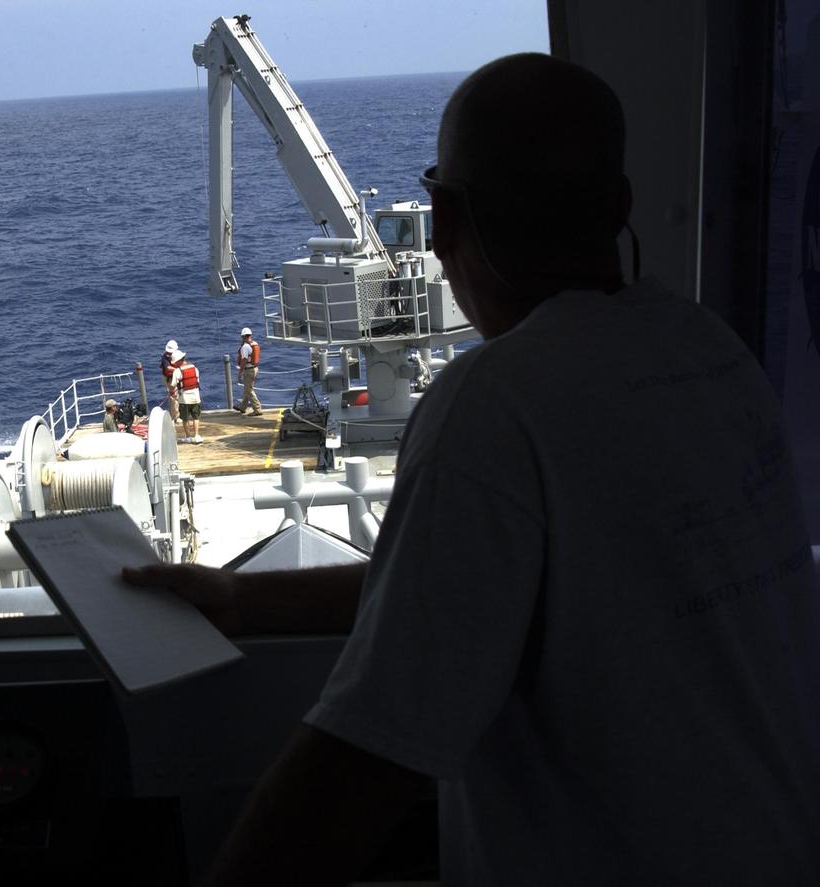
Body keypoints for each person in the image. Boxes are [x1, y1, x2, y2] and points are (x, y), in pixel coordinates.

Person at [124, 52, 820, 885]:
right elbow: (465, 584)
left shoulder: (496, 404)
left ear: (445, 219)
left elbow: (353, 771)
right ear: (621, 205)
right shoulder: (711, 351)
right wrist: (243, 599)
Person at [169, 349, 202, 443]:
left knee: (185, 418)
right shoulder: (194, 368)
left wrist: (171, 392)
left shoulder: (177, 371)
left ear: (179, 361)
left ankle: (188, 437)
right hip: (196, 397)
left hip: (184, 399)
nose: (174, 364)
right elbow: (197, 381)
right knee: (196, 417)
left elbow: (173, 384)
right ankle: (196, 436)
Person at [235, 326, 263, 416]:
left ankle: (257, 409)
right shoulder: (254, 343)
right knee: (247, 389)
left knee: (249, 390)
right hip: (255, 368)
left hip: (249, 370)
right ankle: (242, 407)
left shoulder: (245, 347)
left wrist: (240, 372)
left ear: (243, 337)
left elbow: (244, 360)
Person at [160, 339, 180, 422]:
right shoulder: (165, 357)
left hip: (176, 377)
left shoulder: (177, 355)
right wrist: (178, 369)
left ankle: (176, 415)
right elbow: (167, 367)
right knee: (174, 398)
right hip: (170, 379)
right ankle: (175, 417)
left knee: (177, 397)